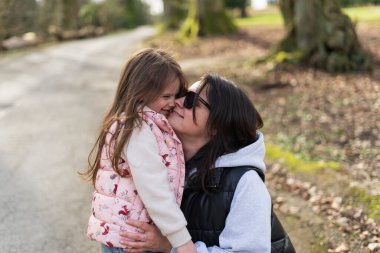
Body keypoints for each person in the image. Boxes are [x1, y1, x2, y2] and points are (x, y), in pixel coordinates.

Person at [119, 73, 272, 253]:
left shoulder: (246, 183)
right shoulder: (158, 159)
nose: (177, 101)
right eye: (181, 94)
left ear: (217, 124)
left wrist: (169, 246)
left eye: (192, 100)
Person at [80, 48, 197, 253]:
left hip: (131, 236)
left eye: (175, 95)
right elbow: (154, 188)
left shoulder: (146, 123)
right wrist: (181, 240)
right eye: (166, 96)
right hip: (130, 240)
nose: (173, 103)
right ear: (141, 91)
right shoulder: (138, 130)